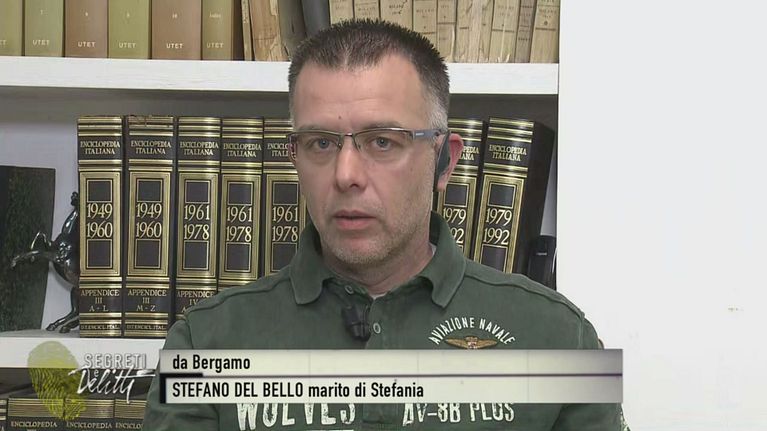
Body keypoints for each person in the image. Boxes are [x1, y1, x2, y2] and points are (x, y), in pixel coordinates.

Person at [144, 19, 624, 430]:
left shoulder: (560, 337)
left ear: (444, 160)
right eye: (320, 143)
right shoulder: (203, 342)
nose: (346, 175)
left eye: (382, 142)